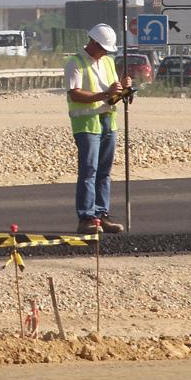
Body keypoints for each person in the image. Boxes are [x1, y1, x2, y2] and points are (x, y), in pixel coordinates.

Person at [65, 23, 132, 234]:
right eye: (102, 48)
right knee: (89, 171)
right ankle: (86, 217)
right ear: (93, 43)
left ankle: (101, 215)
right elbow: (74, 93)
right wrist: (105, 94)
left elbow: (113, 95)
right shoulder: (75, 63)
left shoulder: (109, 63)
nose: (104, 53)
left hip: (108, 122)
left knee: (104, 172)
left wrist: (125, 90)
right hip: (86, 124)